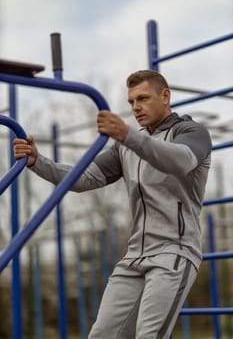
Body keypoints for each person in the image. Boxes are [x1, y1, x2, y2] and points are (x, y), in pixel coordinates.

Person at [14, 70, 212, 339]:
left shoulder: (191, 132)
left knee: (149, 335)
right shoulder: (126, 148)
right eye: (131, 102)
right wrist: (38, 162)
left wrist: (127, 135)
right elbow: (82, 178)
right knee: (102, 334)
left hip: (173, 253)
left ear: (165, 96)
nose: (136, 107)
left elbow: (178, 161)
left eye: (143, 98)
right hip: (134, 256)